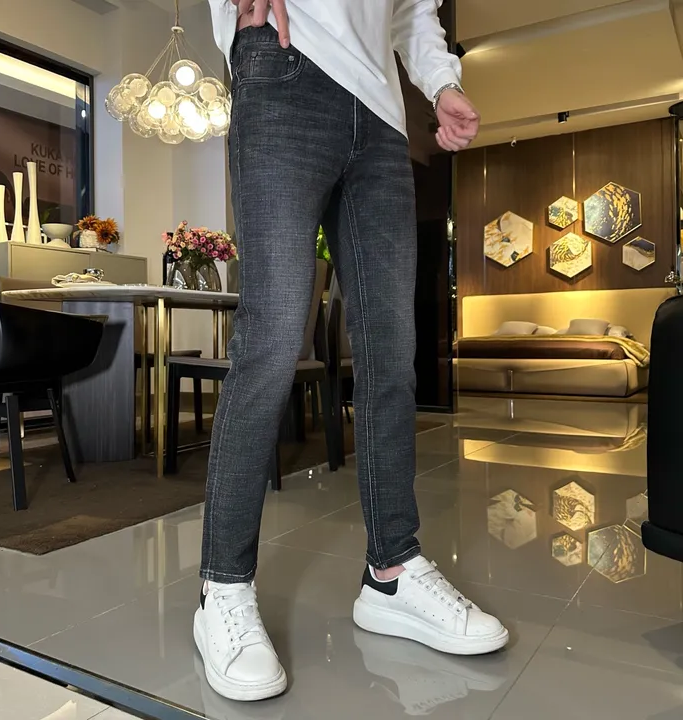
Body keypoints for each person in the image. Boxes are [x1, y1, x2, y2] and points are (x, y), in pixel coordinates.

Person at [196, 0, 509, 702]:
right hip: (284, 63)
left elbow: (412, 11)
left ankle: (392, 573)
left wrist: (441, 81)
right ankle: (223, 585)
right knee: (274, 337)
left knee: (392, 355)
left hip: (382, 116)